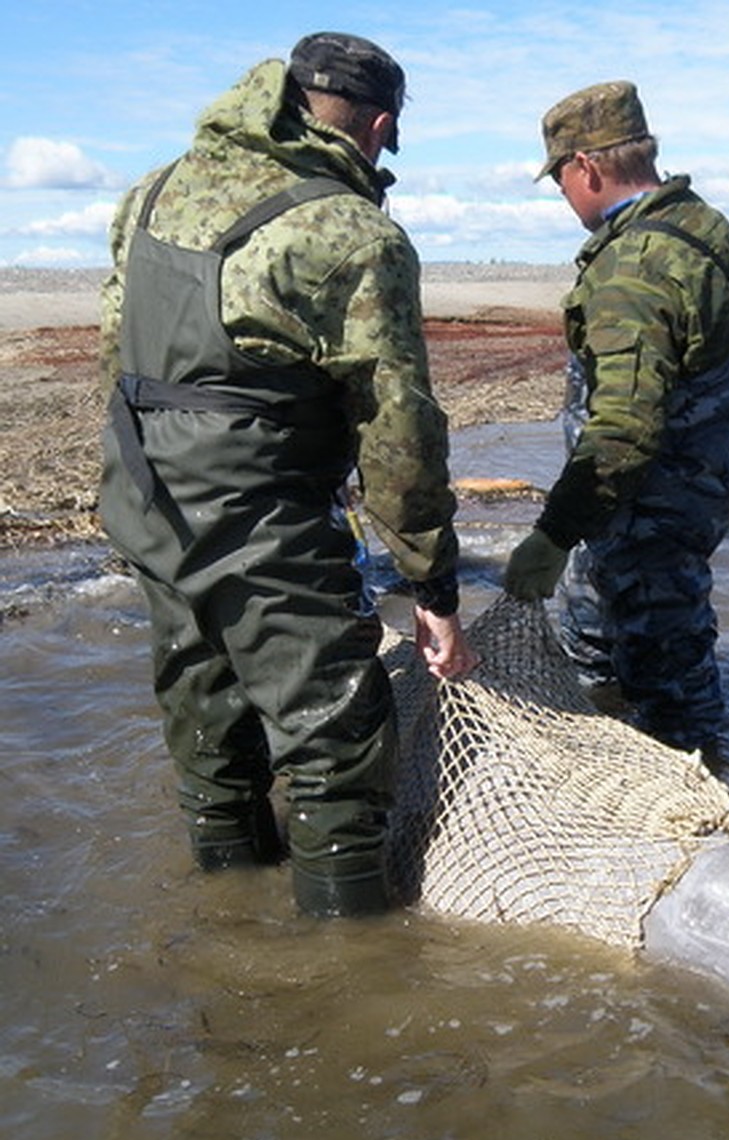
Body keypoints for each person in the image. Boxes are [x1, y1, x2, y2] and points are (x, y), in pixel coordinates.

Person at [98, 32, 477, 918]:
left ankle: (227, 920)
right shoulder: (350, 229)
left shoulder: (146, 194)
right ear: (379, 127)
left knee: (204, 707)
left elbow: (121, 349)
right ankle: (348, 977)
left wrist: (135, 488)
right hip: (259, 506)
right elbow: (398, 429)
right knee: (339, 736)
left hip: (146, 492)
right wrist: (434, 583)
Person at [504, 81, 729, 765]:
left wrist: (551, 537)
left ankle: (697, 826)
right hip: (679, 504)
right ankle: (609, 762)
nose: (563, 197)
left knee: (671, 694)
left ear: (586, 166)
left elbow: (623, 428)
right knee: (598, 645)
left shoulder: (634, 268)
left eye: (560, 180)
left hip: (647, 516)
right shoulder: (703, 227)